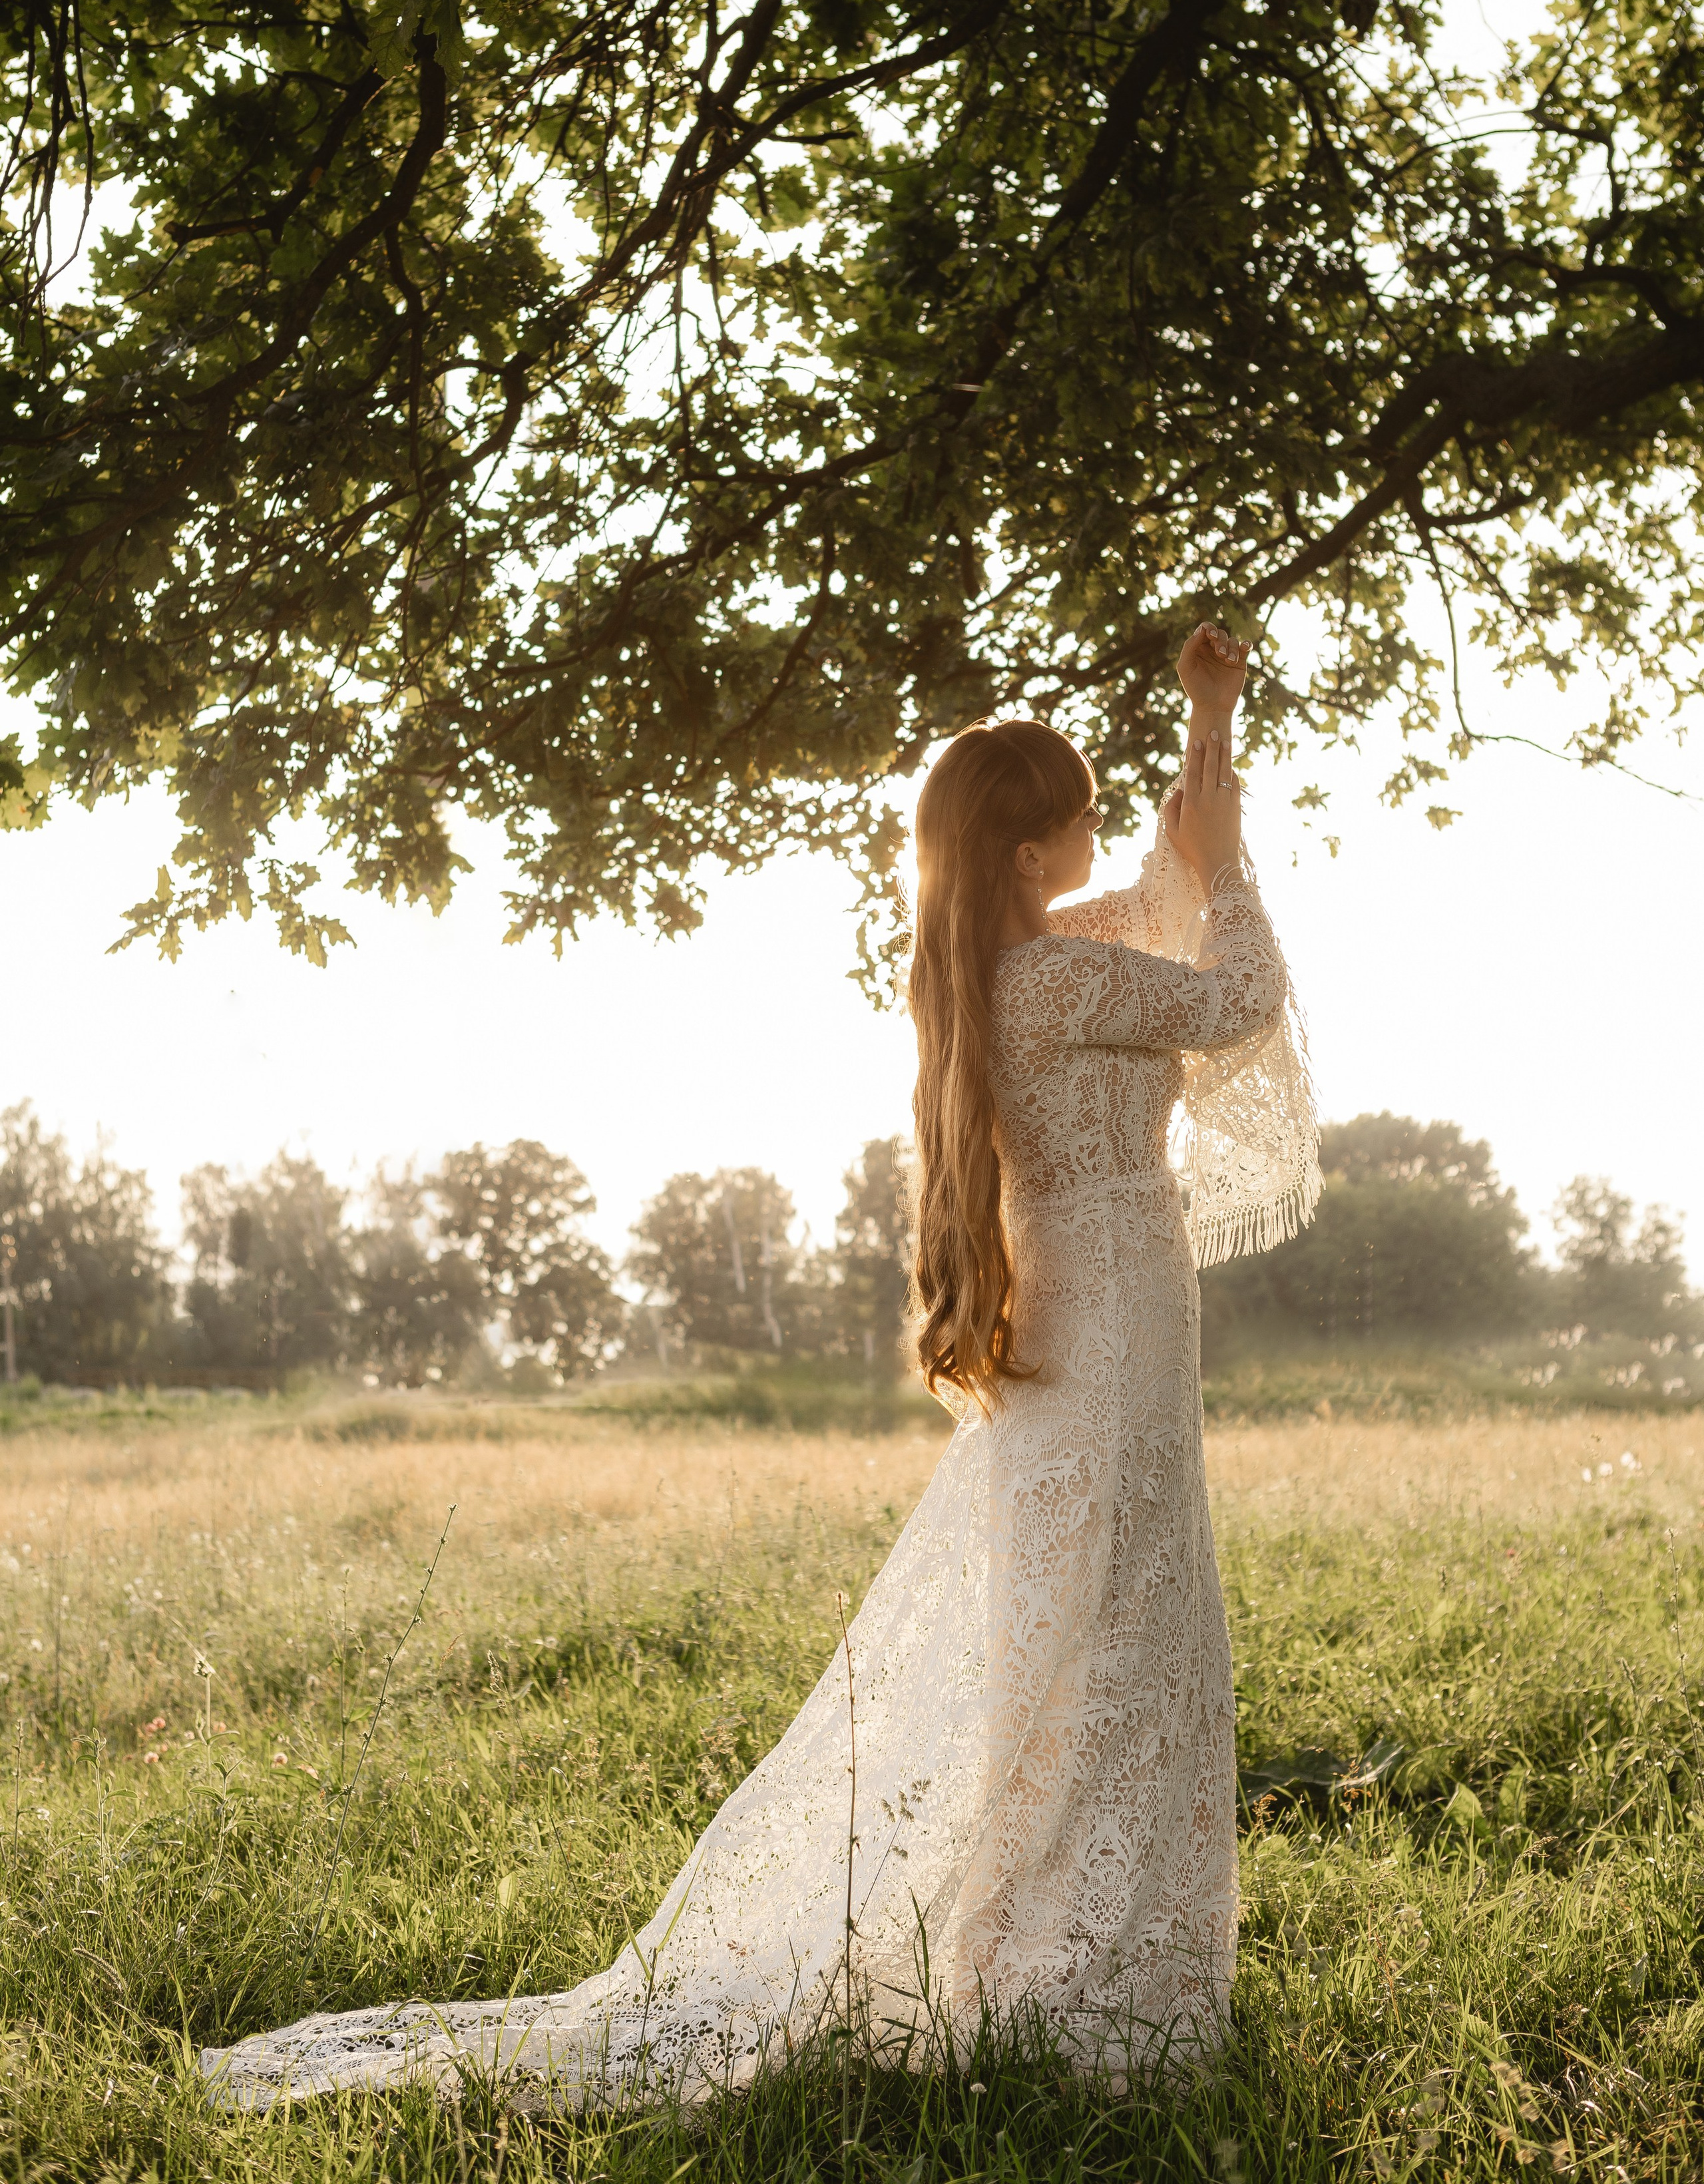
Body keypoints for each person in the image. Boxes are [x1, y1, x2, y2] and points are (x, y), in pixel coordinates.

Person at [202, 622, 1318, 2111]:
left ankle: (1056, 1960)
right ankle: (1065, 1984)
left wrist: (1209, 727)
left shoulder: (1006, 967)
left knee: (1086, 1635)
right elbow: (1226, 980)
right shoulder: (1050, 985)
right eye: (1078, 818)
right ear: (1025, 847)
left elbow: (1156, 892)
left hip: (1092, 1320)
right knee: (1108, 1637)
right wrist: (1233, 867)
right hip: (1109, 1323)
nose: (1101, 840)